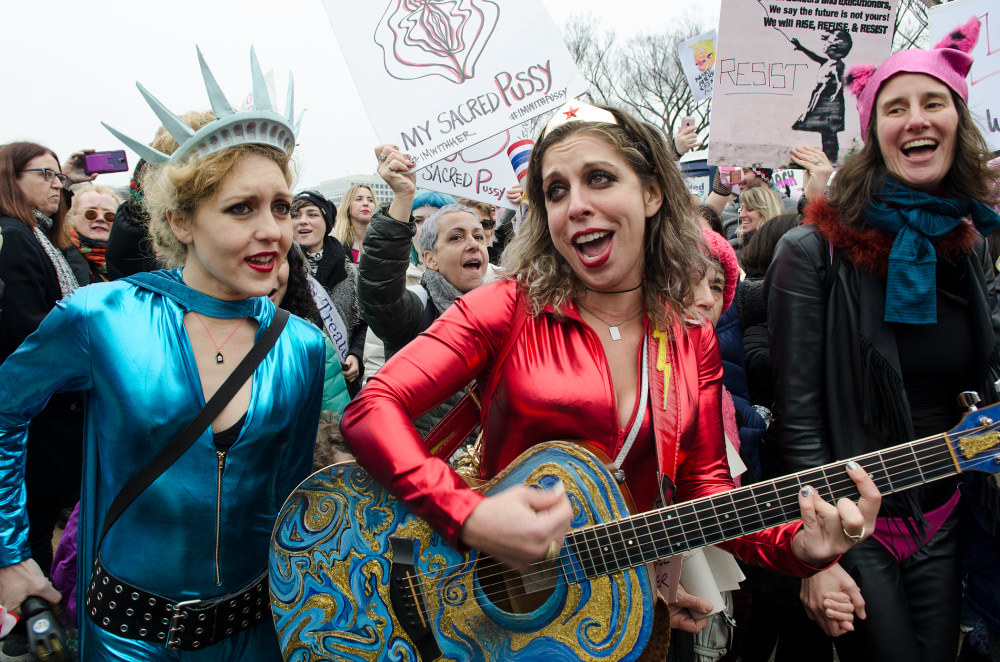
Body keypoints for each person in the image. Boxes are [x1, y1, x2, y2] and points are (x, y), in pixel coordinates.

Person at [342, 101, 881, 659]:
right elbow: (372, 407)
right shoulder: (509, 306)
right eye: (555, 191)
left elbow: (708, 496)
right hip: (482, 613)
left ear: (652, 194)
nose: (575, 206)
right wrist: (468, 515)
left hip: (612, 621)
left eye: (599, 178)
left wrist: (798, 547)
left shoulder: (690, 338)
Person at [0, 50, 325, 659]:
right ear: (181, 220)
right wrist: (9, 552)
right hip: (128, 639)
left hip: (257, 636)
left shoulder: (300, 345)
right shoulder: (103, 318)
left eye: (281, 206)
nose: (274, 231)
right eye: (241, 208)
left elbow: (288, 501)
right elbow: (3, 410)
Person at [767, 17, 1000, 661]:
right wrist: (814, 558)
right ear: (873, 134)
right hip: (854, 527)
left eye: (933, 103)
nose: (916, 120)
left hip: (947, 512)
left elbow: (979, 379)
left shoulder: (970, 243)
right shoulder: (811, 252)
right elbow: (800, 423)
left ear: (959, 123)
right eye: (895, 108)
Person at [0, 142, 86, 579]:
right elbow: (30, 332)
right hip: (38, 413)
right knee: (32, 521)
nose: (58, 185)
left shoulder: (36, 234)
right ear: (10, 179)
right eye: (46, 176)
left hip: (52, 411)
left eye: (61, 177)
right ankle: (28, 621)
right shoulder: (13, 238)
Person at [291, 190, 366, 396]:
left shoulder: (349, 271)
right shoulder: (281, 269)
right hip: (297, 379)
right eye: (295, 215)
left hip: (341, 384)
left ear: (327, 222)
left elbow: (362, 323)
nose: (302, 221)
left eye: (312, 214)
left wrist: (356, 355)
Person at [790, 29, 853, 164]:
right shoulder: (827, 62)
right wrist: (801, 48)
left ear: (835, 47)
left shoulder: (837, 65)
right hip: (823, 98)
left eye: (827, 43)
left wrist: (834, 94)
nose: (824, 46)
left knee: (829, 132)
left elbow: (840, 81)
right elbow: (814, 56)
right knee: (826, 131)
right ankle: (828, 157)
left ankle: (831, 158)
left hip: (830, 103)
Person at [65, 183, 122, 284]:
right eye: (91, 213)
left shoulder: (133, 260)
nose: (100, 219)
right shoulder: (59, 253)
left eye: (109, 215)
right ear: (73, 216)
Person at [332, 184, 377, 263]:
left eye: (370, 200)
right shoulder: (333, 239)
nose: (366, 203)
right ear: (347, 207)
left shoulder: (384, 239)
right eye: (359, 199)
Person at [733, 186, 782, 253]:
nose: (741, 215)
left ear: (767, 211)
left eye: (750, 209)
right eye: (741, 210)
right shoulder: (733, 246)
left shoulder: (784, 247)